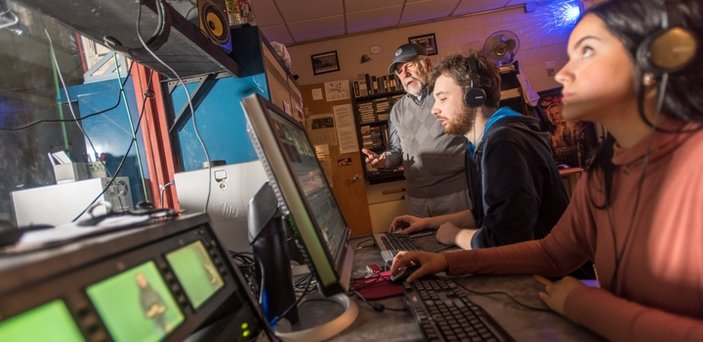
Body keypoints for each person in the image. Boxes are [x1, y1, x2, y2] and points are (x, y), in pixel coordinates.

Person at [391, 0, 703, 339]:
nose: (564, 73)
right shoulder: (604, 169)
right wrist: (448, 262)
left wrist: (586, 305)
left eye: (586, 52)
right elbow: (552, 253)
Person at [388, 52, 569, 251]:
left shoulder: (504, 143)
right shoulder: (480, 144)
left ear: (474, 96)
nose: (434, 109)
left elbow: (504, 241)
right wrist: (426, 223)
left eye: (442, 99)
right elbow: (484, 214)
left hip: (548, 277)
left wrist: (455, 235)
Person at [361, 43, 470, 217]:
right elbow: (396, 151)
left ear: (427, 65)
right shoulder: (397, 110)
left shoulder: (448, 94)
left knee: (461, 241)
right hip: (416, 199)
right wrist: (383, 161)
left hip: (456, 194)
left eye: (409, 65)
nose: (405, 74)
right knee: (422, 244)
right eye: (399, 70)